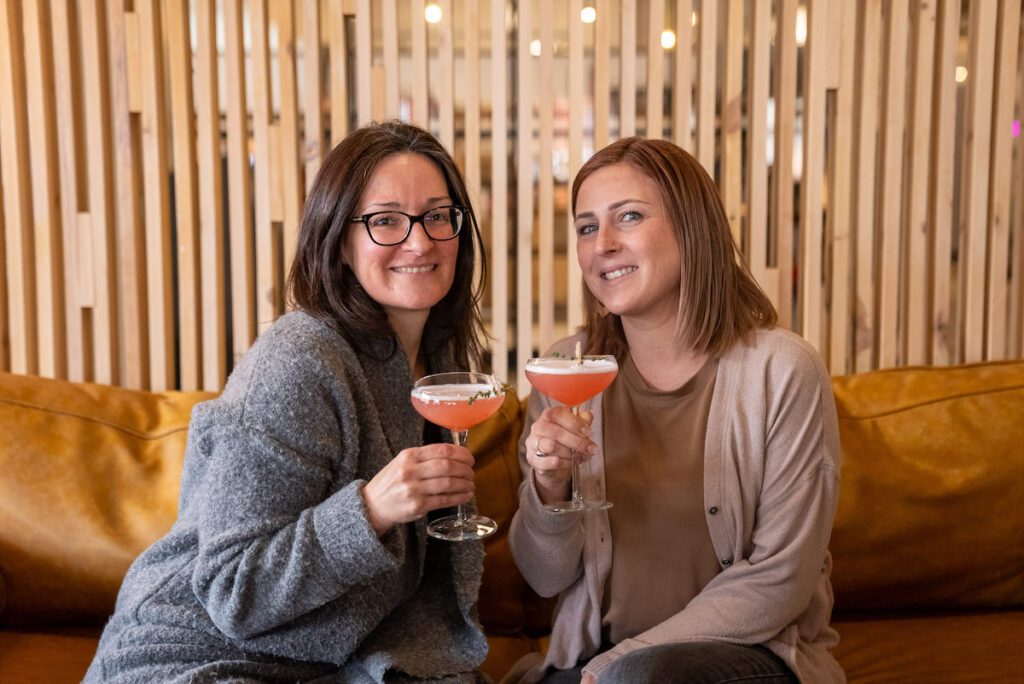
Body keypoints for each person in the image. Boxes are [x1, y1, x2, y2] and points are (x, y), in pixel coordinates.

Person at [86, 121, 493, 683]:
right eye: (385, 221)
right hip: (195, 657)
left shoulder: (438, 364)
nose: (419, 241)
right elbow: (234, 590)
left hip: (316, 666)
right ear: (340, 241)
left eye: (437, 215)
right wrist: (371, 509)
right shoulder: (298, 360)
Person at [508, 137, 843, 684]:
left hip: (749, 656)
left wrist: (621, 663)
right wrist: (548, 489)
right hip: (599, 661)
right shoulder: (566, 370)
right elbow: (545, 578)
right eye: (588, 227)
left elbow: (779, 579)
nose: (603, 244)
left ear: (692, 228)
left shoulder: (782, 369)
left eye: (630, 217)